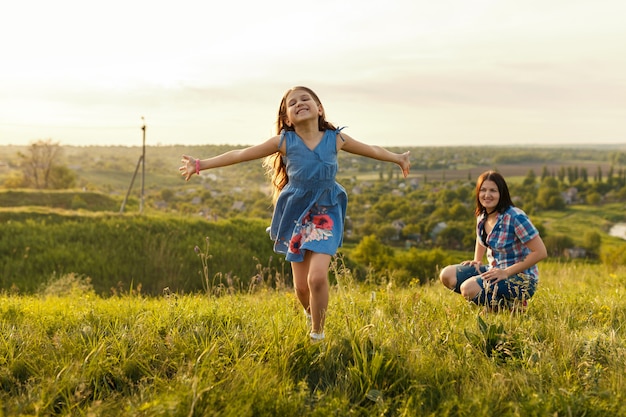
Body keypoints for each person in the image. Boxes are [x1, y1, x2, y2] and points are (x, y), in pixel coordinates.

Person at [179, 86, 411, 340]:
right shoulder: (284, 142)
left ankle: (318, 336)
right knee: (301, 288)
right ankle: (313, 314)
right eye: (292, 103)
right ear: (287, 118)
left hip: (326, 212)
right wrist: (201, 164)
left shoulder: (335, 138)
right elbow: (241, 154)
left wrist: (397, 158)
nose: (299, 103)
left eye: (305, 99)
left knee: (317, 277)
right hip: (295, 213)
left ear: (319, 108)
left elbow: (373, 150)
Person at [439, 170, 547, 311]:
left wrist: (506, 272)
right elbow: (481, 238)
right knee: (447, 275)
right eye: (483, 190)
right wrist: (477, 260)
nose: (487, 195)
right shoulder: (483, 215)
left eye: (493, 191)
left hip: (521, 279)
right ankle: (501, 304)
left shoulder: (515, 217)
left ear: (501, 194)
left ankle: (511, 307)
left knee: (468, 288)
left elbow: (540, 252)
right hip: (494, 270)